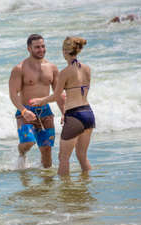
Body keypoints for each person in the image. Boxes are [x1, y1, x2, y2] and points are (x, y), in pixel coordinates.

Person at [30, 37, 95, 176]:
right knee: (82, 156)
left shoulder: (65, 72)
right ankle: (88, 184)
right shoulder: (87, 69)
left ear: (65, 51)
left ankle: (64, 192)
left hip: (75, 116)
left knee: (63, 158)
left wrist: (40, 101)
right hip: (88, 113)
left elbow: (56, 96)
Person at [9, 34, 64, 169]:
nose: (41, 49)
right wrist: (24, 110)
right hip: (25, 111)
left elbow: (58, 94)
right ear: (29, 48)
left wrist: (64, 112)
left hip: (45, 112)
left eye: (43, 46)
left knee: (46, 151)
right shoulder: (19, 68)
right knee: (28, 142)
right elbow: (13, 94)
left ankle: (46, 184)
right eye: (37, 47)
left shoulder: (52, 68)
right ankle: (22, 154)